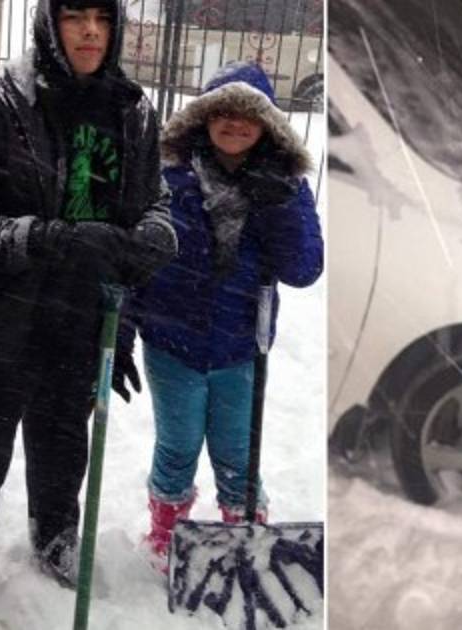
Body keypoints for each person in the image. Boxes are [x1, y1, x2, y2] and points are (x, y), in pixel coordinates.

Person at [0, 0, 175, 626]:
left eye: (102, 19)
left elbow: (153, 204)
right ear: (48, 26)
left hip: (81, 323)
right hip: (1, 322)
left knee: (63, 451)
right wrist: (49, 238)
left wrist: (153, 239)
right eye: (75, 17)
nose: (90, 32)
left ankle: (56, 538)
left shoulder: (133, 112)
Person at [119, 61, 323, 572]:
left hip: (241, 345)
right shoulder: (168, 178)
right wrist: (124, 324)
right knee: (178, 445)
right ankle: (166, 535)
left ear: (268, 126)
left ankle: (244, 535)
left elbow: (303, 269)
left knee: (238, 452)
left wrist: (278, 205)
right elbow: (136, 258)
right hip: (172, 341)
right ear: (203, 119)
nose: (234, 124)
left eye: (248, 115)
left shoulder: (285, 186)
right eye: (223, 113)